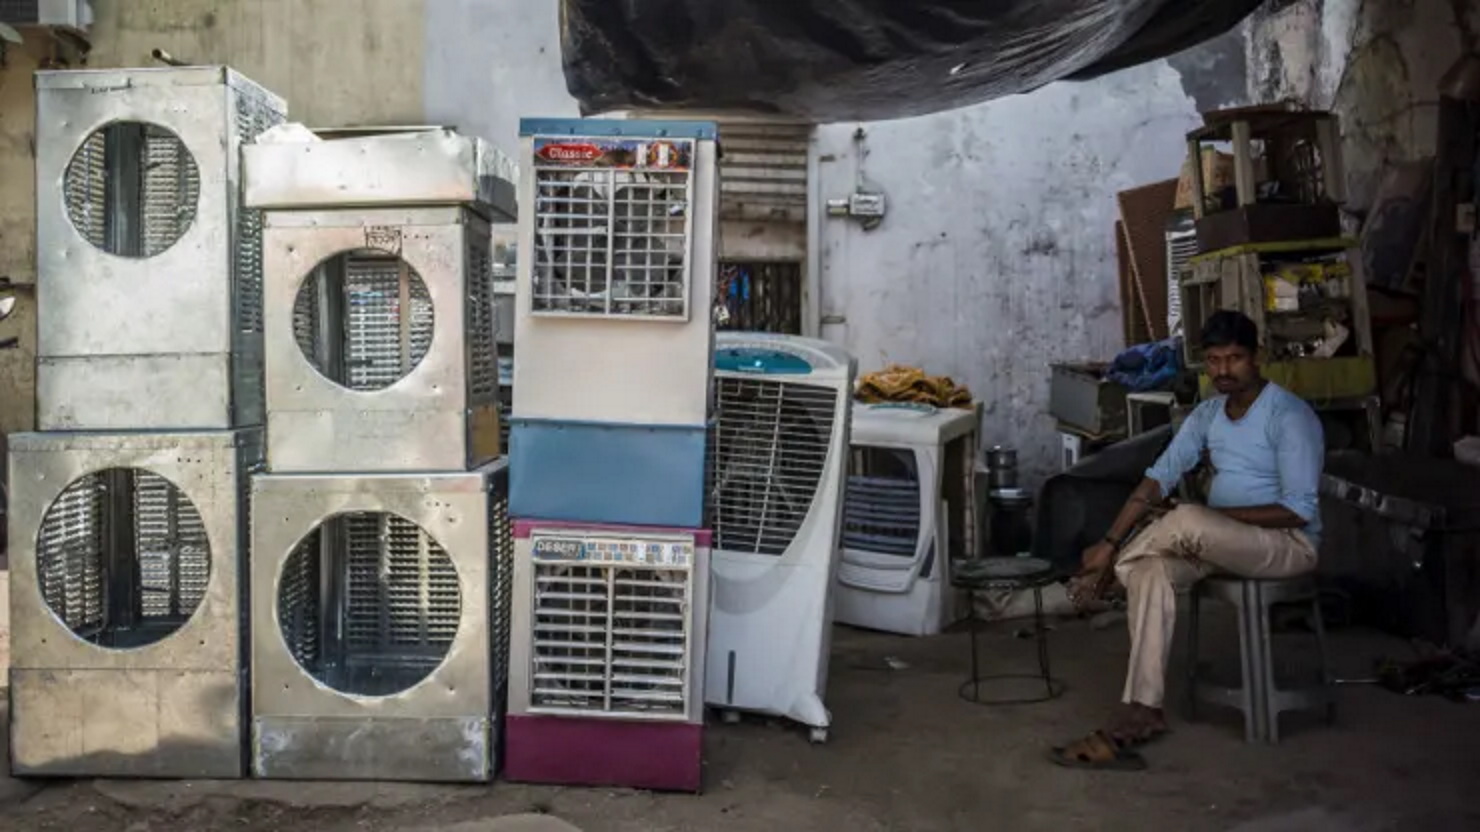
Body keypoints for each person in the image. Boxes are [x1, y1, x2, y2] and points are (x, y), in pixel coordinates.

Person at [1050, 310, 1325, 770]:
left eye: (1234, 359)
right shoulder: (1208, 415)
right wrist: (1109, 539)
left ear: (1256, 358)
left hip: (1286, 545)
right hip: (1219, 544)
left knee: (1188, 518)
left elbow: (1299, 510)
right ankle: (1143, 708)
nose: (1223, 370)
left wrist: (1213, 517)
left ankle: (1103, 575)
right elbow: (1154, 480)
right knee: (1149, 570)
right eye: (1214, 360)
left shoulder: (1288, 415)